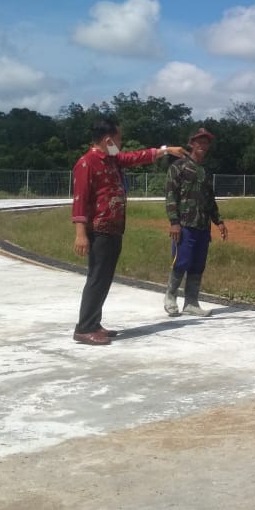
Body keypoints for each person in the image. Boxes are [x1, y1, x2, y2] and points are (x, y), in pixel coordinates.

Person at [71, 117, 186, 345]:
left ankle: (93, 322)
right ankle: (84, 328)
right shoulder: (87, 163)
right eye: (119, 138)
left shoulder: (112, 159)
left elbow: (138, 157)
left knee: (104, 278)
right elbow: (79, 201)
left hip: (114, 229)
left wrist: (166, 150)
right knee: (97, 278)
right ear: (108, 139)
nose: (121, 143)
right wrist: (80, 234)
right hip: (99, 230)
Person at [164, 127, 228, 317]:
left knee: (198, 264)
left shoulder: (204, 172)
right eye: (199, 142)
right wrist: (174, 222)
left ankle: (191, 302)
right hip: (184, 225)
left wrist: (219, 221)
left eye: (206, 142)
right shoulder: (178, 167)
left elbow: (210, 200)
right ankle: (170, 297)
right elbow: (170, 196)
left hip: (202, 226)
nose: (202, 145)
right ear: (191, 144)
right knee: (181, 261)